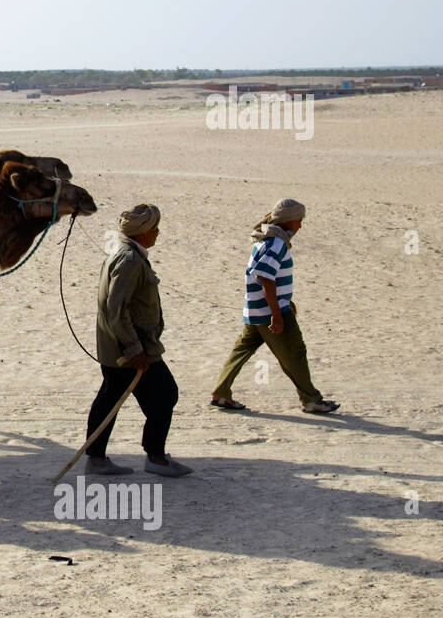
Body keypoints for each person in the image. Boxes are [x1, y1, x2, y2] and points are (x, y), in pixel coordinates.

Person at [85, 204, 192, 477]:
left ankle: (97, 458)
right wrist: (134, 349)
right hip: (130, 350)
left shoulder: (125, 254)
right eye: (154, 228)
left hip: (117, 347)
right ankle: (155, 457)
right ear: (144, 232)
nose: (157, 233)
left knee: (112, 397)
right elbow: (116, 308)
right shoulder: (129, 260)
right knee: (165, 393)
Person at [209, 199, 340, 414]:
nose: (300, 226)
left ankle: (221, 393)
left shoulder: (263, 239)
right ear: (289, 221)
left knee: (240, 352)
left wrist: (286, 300)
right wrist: (277, 314)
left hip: (254, 310)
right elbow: (266, 277)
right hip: (270, 312)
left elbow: (265, 277)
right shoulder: (277, 243)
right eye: (299, 221)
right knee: (294, 354)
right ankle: (311, 400)